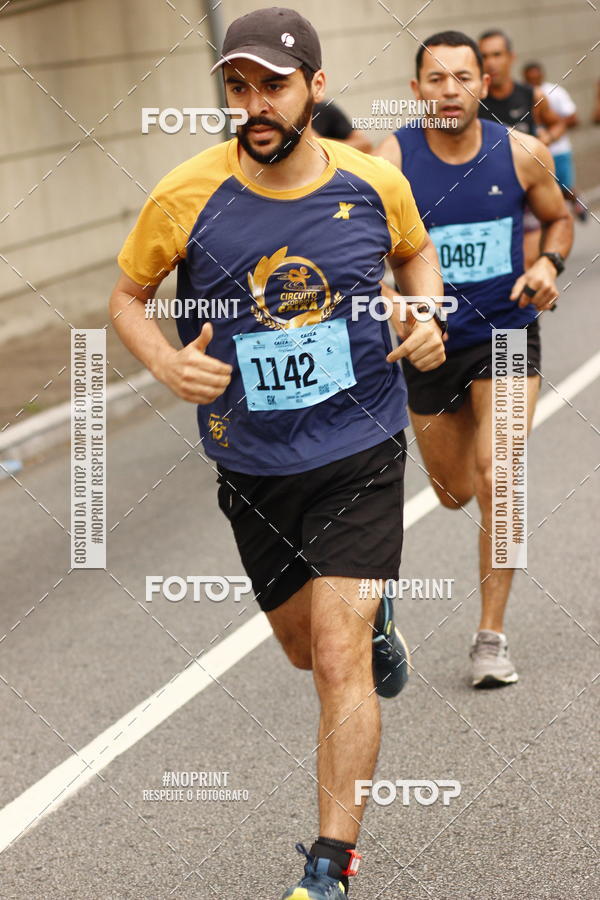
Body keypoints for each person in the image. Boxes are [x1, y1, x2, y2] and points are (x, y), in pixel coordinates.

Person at [109, 7, 445, 899]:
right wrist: (165, 361)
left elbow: (417, 260)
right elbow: (127, 299)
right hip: (253, 463)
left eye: (274, 86)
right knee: (303, 651)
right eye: (239, 87)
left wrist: (425, 317)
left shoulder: (374, 182)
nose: (254, 104)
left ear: (316, 89)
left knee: (335, 663)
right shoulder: (185, 195)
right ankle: (373, 623)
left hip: (362, 447)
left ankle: (330, 867)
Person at [377, 30, 573, 688]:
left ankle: (491, 637)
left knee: (501, 475)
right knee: (455, 490)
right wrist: (397, 306)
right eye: (436, 79)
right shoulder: (391, 160)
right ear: (416, 91)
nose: (451, 90)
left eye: (463, 77)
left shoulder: (521, 152)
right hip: (431, 347)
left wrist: (549, 262)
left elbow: (560, 218)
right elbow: (361, 258)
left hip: (507, 331)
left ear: (484, 85)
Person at [478, 30, 567, 267]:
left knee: (528, 262)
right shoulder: (473, 102)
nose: (491, 62)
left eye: (497, 54)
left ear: (510, 57)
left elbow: (557, 123)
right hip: (488, 191)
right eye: (484, 56)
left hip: (527, 188)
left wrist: (544, 140)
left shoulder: (531, 95)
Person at [523, 61, 587, 221]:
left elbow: (573, 119)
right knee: (541, 191)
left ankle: (576, 202)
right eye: (529, 77)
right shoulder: (522, 94)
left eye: (536, 76)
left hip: (558, 150)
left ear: (542, 75)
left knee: (564, 188)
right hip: (534, 154)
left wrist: (551, 131)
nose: (533, 80)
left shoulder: (556, 92)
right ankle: (552, 219)